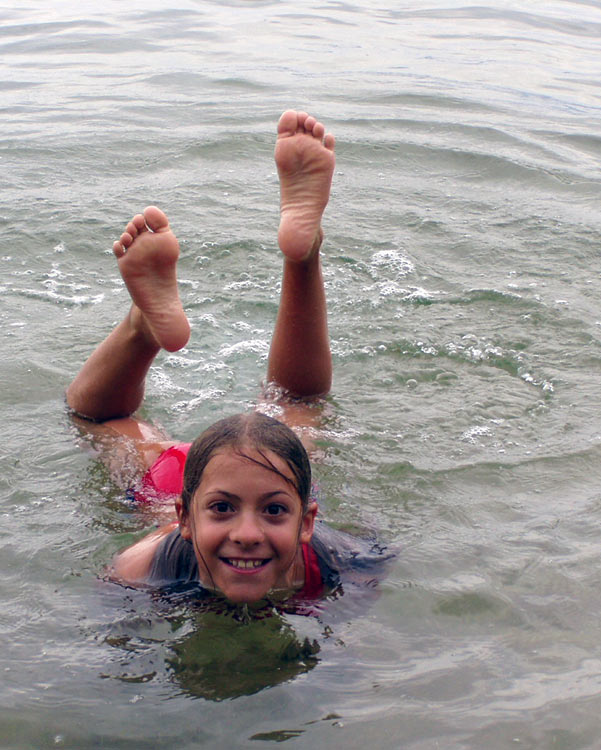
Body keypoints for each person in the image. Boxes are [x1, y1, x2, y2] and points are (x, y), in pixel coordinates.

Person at [67, 110, 384, 607]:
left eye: (274, 513)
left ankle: (153, 324)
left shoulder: (341, 562)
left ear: (308, 522)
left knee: (97, 419)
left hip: (246, 471)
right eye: (222, 511)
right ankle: (146, 325)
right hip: (181, 475)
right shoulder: (142, 568)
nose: (247, 534)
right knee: (297, 404)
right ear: (184, 519)